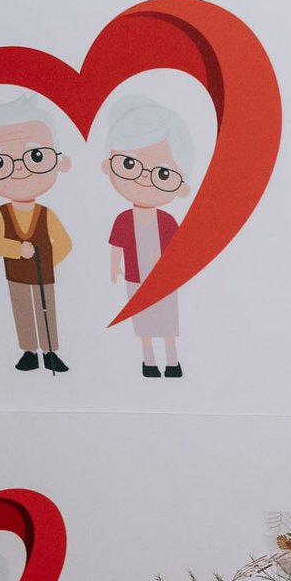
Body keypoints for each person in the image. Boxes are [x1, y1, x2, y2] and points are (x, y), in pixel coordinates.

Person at [0, 95, 74, 373]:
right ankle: (29, 351)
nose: (19, 167)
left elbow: (64, 242)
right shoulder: (1, 214)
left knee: (46, 309)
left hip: (43, 274)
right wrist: (16, 250)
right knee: (23, 310)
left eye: (36, 156)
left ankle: (50, 352)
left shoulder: (46, 214)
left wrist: (48, 261)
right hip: (16, 274)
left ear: (60, 162)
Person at [103, 96, 194, 379]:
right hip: (134, 278)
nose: (144, 179)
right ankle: (149, 361)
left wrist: (168, 266)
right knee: (142, 320)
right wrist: (114, 267)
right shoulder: (123, 219)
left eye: (163, 173)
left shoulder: (167, 221)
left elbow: (178, 251)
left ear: (181, 187)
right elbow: (116, 246)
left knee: (167, 319)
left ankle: (172, 359)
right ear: (108, 167)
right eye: (129, 164)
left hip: (163, 280)